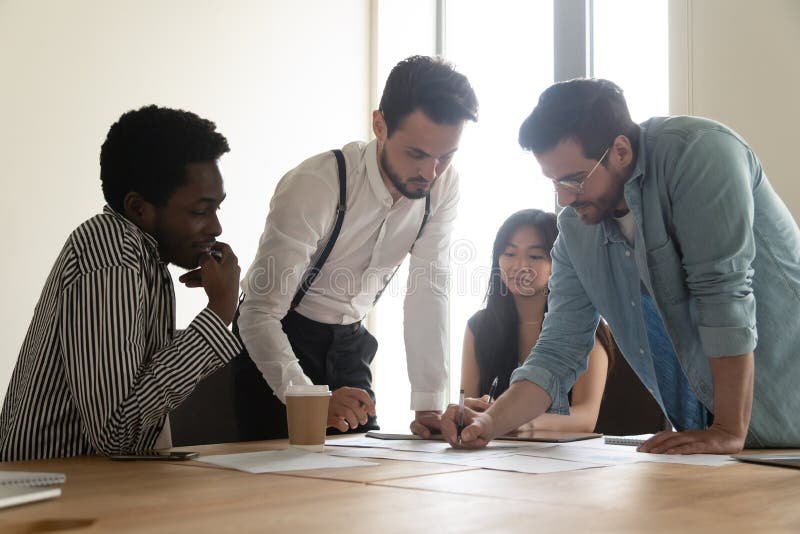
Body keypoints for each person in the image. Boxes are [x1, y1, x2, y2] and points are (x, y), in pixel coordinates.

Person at [443, 78, 800, 454]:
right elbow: (557, 351)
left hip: (776, 419)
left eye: (575, 180)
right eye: (554, 183)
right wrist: (488, 422)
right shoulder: (575, 231)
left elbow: (723, 295)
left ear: (620, 150)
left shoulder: (700, 155)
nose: (564, 198)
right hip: (719, 444)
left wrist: (727, 428)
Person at [235, 55, 478, 439]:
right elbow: (258, 312)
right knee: (274, 482)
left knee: (361, 479)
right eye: (416, 154)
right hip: (280, 343)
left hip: (351, 345)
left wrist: (428, 405)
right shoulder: (318, 184)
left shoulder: (443, 187)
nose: (430, 173)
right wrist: (309, 398)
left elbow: (428, 290)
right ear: (379, 125)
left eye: (445, 157)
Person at [0, 106, 242, 461]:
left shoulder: (146, 258)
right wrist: (218, 313)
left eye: (217, 208)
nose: (216, 227)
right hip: (52, 496)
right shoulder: (112, 252)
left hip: (92, 487)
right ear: (138, 208)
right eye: (199, 211)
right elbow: (119, 433)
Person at [462, 209, 615, 433]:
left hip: (566, 459)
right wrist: (469, 410)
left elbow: (586, 417)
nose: (519, 266)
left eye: (535, 256)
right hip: (493, 453)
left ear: (561, 263)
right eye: (509, 253)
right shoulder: (479, 326)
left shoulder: (584, 327)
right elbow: (466, 398)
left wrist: (511, 421)